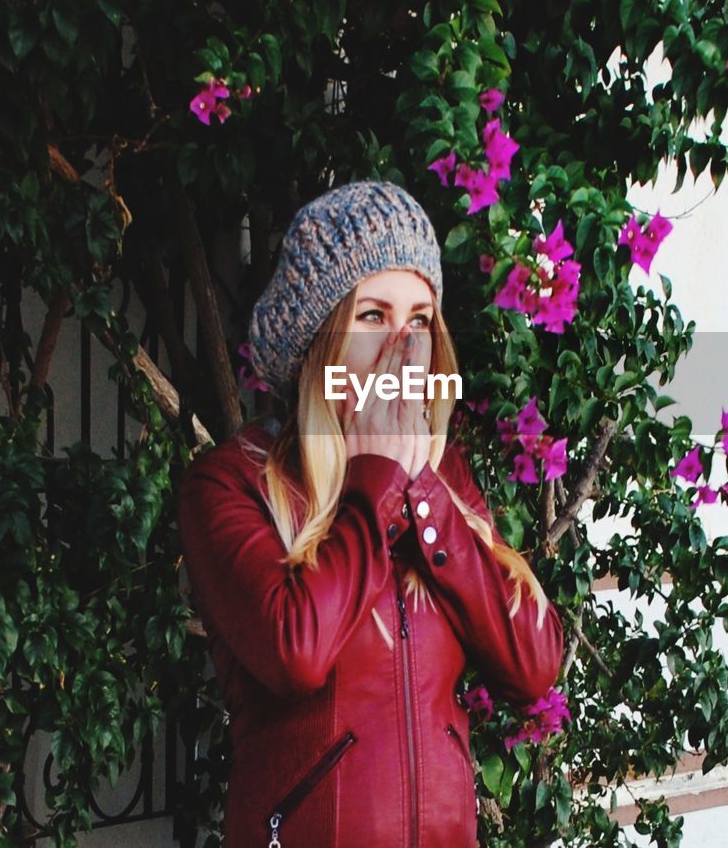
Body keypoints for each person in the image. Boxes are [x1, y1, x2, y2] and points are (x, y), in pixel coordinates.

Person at [176, 181, 565, 848]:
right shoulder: (231, 483)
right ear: (319, 343)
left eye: (420, 319)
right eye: (375, 317)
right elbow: (295, 652)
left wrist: (423, 493)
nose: (403, 345)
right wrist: (373, 481)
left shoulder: (442, 480)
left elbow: (533, 662)